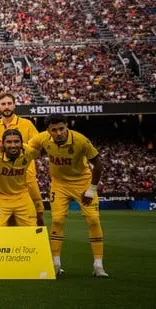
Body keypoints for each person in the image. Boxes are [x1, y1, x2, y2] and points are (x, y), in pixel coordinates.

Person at [29, 114, 108, 278]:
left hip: (82, 182)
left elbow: (98, 164)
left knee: (93, 220)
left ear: (66, 126)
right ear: (48, 130)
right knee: (57, 220)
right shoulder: (42, 138)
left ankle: (98, 265)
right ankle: (56, 264)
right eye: (54, 130)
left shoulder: (80, 140)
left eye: (61, 129)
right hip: (59, 184)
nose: (58, 133)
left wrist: (91, 190)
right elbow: (28, 147)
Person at [0, 92, 45, 226]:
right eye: (3, 104)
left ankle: (37, 239)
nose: (7, 106)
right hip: (2, 180)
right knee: (3, 221)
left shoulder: (27, 124)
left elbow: (38, 147)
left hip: (27, 177)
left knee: (38, 215)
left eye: (9, 103)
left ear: (14, 105)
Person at [0, 128, 39, 227]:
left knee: (32, 229)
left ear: (22, 143)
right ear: (2, 144)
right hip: (0, 197)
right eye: (9, 142)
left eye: (16, 141)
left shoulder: (29, 152)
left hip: (22, 196)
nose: (13, 145)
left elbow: (44, 143)